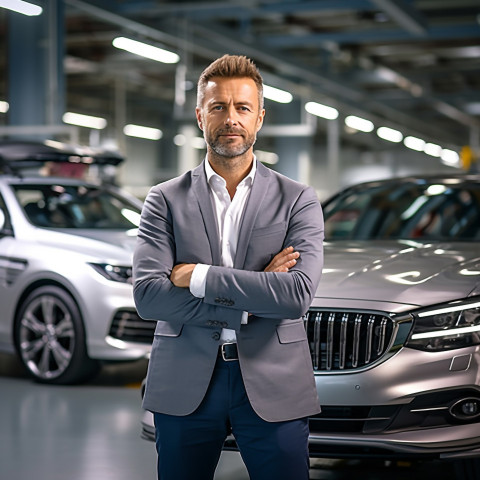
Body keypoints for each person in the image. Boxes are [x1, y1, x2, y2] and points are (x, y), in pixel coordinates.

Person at [133, 54, 324, 480]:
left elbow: (295, 296)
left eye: (242, 107)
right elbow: (148, 296)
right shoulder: (164, 199)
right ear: (201, 116)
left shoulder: (298, 199)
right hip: (185, 382)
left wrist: (197, 277)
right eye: (218, 107)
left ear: (259, 117)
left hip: (274, 379)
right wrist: (252, 295)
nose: (231, 119)